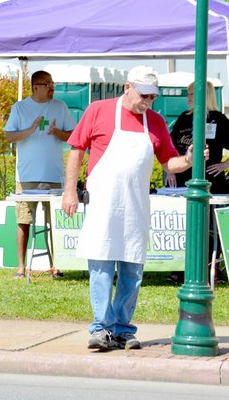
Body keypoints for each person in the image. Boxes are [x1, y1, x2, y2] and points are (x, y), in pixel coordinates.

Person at [61, 66, 205, 351]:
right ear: (128, 88)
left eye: (153, 97)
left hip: (136, 206)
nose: (149, 101)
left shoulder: (156, 122)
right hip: (104, 204)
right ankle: (101, 328)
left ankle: (124, 329)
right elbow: (76, 148)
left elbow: (169, 163)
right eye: (145, 95)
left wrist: (188, 159)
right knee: (101, 267)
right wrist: (69, 191)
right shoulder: (98, 110)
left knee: (132, 272)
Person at [4, 70, 77, 279]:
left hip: (54, 174)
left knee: (54, 221)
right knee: (24, 220)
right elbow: (9, 136)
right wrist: (29, 130)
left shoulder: (60, 107)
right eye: (48, 83)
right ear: (36, 87)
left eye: (52, 83)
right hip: (27, 176)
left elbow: (73, 135)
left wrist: (56, 132)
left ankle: (56, 265)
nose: (52, 86)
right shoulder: (20, 108)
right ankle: (20, 267)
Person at [166, 80, 229, 194]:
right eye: (188, 94)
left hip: (210, 180)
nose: (188, 97)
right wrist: (171, 171)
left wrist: (225, 164)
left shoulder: (218, 119)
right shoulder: (184, 117)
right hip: (181, 179)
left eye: (192, 94)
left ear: (204, 95)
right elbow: (170, 146)